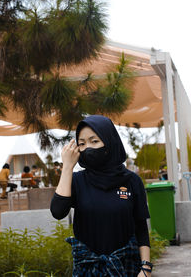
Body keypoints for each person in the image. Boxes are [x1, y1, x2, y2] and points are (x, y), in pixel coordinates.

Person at [50, 115, 152, 276]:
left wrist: (146, 268)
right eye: (82, 144)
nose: (88, 148)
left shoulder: (132, 181)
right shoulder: (76, 181)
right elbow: (57, 211)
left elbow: (141, 229)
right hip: (88, 269)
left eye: (94, 141)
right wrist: (67, 167)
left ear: (109, 141)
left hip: (125, 267)